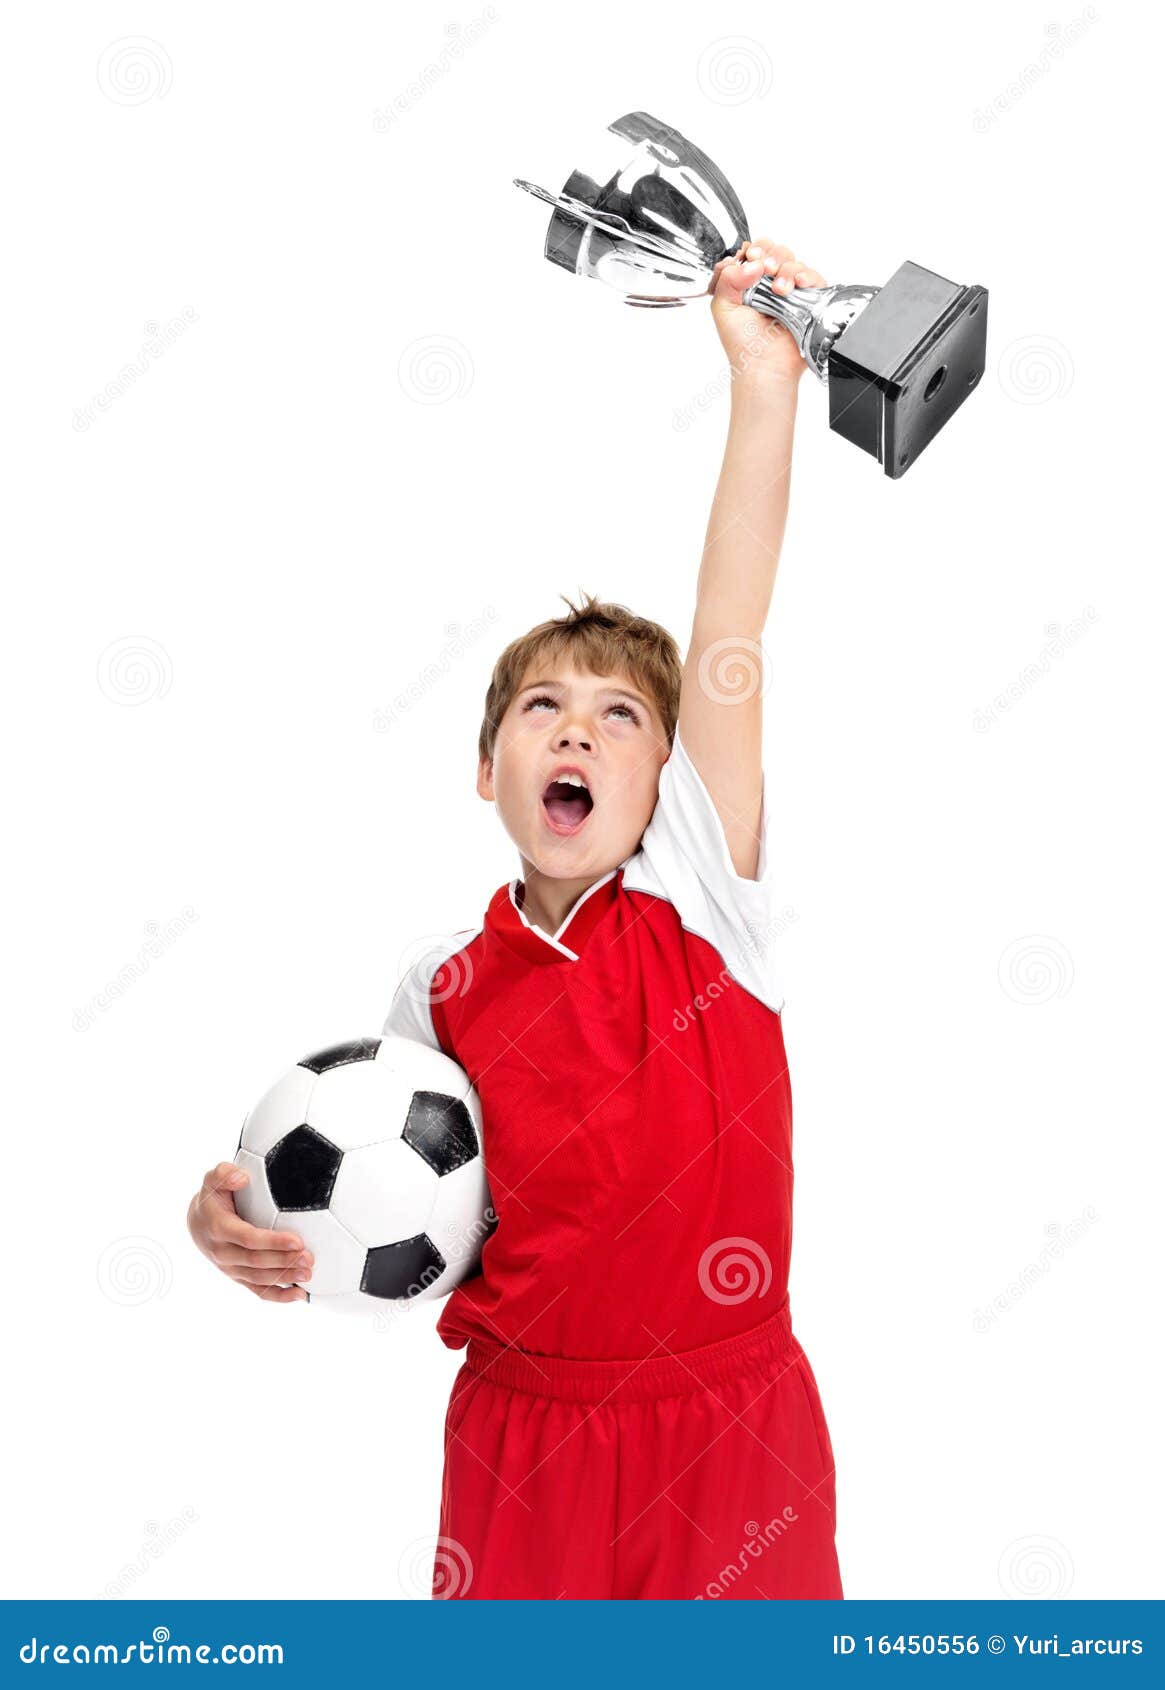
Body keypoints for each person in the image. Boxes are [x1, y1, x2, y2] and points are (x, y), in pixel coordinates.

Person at [188, 237, 843, 1600]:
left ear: (670, 778)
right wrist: (232, 1218)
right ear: (488, 769)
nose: (581, 733)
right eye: (544, 709)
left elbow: (731, 619)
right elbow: (370, 1198)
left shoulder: (706, 897)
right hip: (524, 1438)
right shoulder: (440, 993)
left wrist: (763, 387)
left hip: (732, 1432)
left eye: (622, 717)